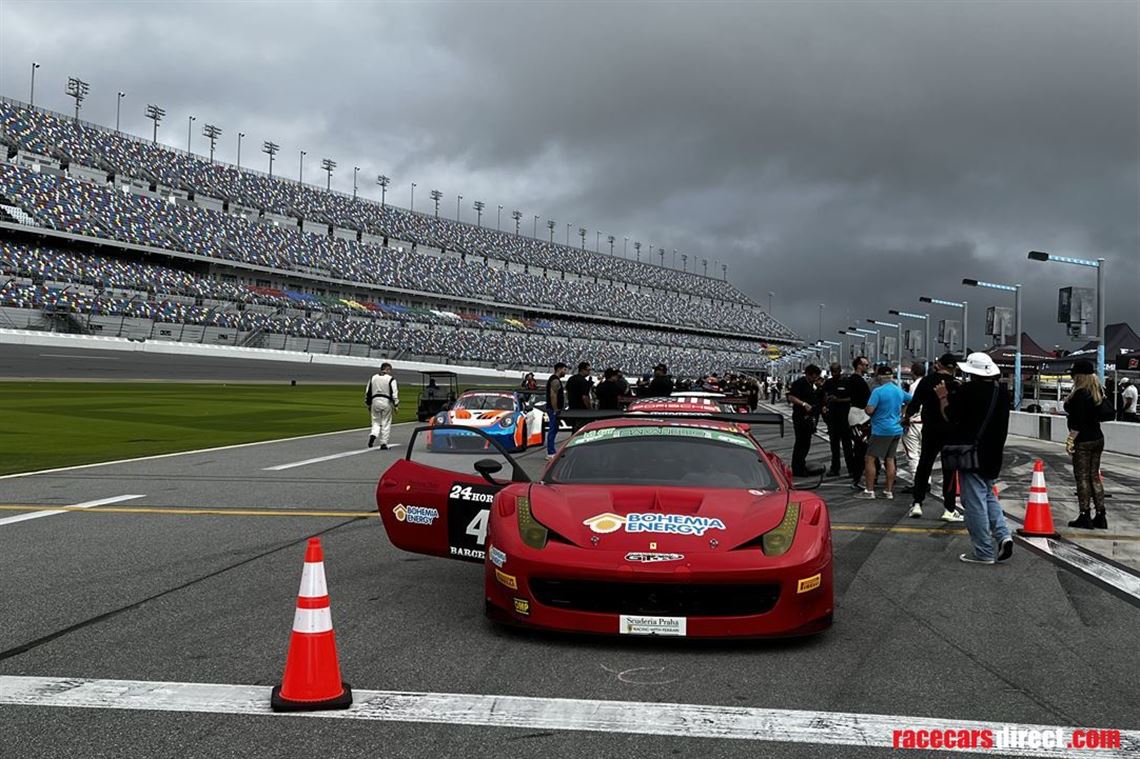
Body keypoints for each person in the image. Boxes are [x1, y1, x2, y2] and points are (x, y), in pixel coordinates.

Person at [935, 352, 1012, 565]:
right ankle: (1003, 535)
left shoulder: (968, 391)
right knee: (988, 494)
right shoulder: (1002, 392)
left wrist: (943, 396)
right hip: (994, 453)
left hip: (972, 454)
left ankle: (983, 551)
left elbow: (950, 415)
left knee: (974, 502)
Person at [904, 353, 962, 522]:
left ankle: (917, 503)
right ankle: (949, 509)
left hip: (929, 430)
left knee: (924, 465)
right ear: (953, 368)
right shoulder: (956, 384)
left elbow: (914, 404)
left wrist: (907, 417)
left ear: (938, 364)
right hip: (950, 432)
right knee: (949, 471)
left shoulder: (926, 381)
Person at [855, 365, 912, 499]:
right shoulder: (898, 390)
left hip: (881, 430)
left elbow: (869, 410)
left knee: (870, 458)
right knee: (890, 459)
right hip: (896, 429)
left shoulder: (878, 391)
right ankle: (888, 491)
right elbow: (911, 400)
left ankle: (869, 491)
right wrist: (903, 415)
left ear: (880, 376)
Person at [1064, 360, 1108, 529]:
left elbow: (1077, 422)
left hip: (1083, 440)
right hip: (1098, 437)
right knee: (1094, 476)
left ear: (1079, 376)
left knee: (1082, 477)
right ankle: (1101, 515)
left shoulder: (1080, 394)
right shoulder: (1098, 392)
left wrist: (1070, 440)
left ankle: (1084, 515)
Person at [787, 364, 825, 476]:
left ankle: (801, 465)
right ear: (808, 374)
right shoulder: (800, 383)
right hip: (800, 416)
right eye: (814, 376)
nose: (815, 379)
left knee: (806, 443)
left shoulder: (812, 385)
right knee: (801, 442)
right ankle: (797, 468)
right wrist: (803, 404)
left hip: (810, 417)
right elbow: (791, 397)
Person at [820, 363, 854, 478]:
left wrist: (838, 400)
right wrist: (825, 403)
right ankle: (835, 468)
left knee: (847, 446)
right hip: (832, 419)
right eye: (832, 371)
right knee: (834, 446)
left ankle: (851, 469)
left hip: (844, 418)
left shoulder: (847, 382)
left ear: (840, 370)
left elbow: (851, 398)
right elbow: (822, 395)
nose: (834, 373)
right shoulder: (828, 383)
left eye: (836, 371)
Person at [847, 356, 873, 490]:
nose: (867, 367)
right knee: (861, 448)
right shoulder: (857, 380)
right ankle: (858, 478)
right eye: (866, 365)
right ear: (859, 366)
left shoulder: (854, 380)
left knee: (861, 448)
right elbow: (866, 399)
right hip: (860, 417)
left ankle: (859, 477)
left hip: (857, 416)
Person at [899, 362, 925, 481]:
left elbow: (912, 404)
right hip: (926, 423)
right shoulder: (928, 384)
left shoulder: (914, 386)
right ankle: (926, 480)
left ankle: (917, 481)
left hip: (914, 422)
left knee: (912, 455)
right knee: (923, 454)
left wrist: (905, 418)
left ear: (912, 372)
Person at [365, 362, 398, 449]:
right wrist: (396, 405)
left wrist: (368, 404)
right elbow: (394, 394)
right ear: (387, 369)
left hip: (374, 401)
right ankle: (383, 443)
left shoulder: (373, 377)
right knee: (386, 423)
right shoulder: (391, 379)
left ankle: (373, 434)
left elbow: (368, 392)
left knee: (375, 421)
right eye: (390, 370)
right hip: (386, 401)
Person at [545, 362, 568, 459]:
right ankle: (550, 453)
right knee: (552, 429)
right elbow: (553, 395)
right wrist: (555, 409)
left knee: (554, 429)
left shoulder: (555, 379)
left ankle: (552, 450)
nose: (565, 372)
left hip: (554, 409)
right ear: (559, 369)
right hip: (553, 409)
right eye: (564, 369)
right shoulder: (555, 380)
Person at [566, 361, 593, 431]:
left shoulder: (571, 379)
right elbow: (585, 397)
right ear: (583, 370)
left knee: (574, 428)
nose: (589, 372)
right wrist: (590, 408)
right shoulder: (583, 381)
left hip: (572, 407)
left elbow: (567, 393)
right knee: (582, 429)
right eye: (588, 370)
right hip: (582, 410)